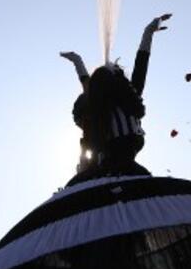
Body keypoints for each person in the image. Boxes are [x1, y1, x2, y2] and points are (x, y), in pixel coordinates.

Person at [61, 13, 169, 183]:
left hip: (115, 166)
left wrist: (148, 33)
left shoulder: (127, 99)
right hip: (107, 165)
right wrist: (148, 33)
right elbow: (141, 65)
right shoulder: (99, 107)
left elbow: (141, 64)